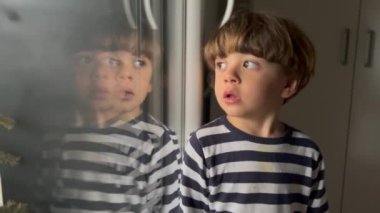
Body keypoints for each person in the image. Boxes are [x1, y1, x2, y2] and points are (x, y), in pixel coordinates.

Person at [180, 11, 328, 212]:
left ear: (288, 84)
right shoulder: (203, 146)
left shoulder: (307, 153)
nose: (228, 75)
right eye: (221, 64)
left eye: (248, 64)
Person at [37, 15, 181, 213]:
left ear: (152, 82)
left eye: (138, 63)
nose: (102, 73)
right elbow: (44, 201)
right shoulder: (56, 133)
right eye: (87, 60)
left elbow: (169, 208)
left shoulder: (156, 139)